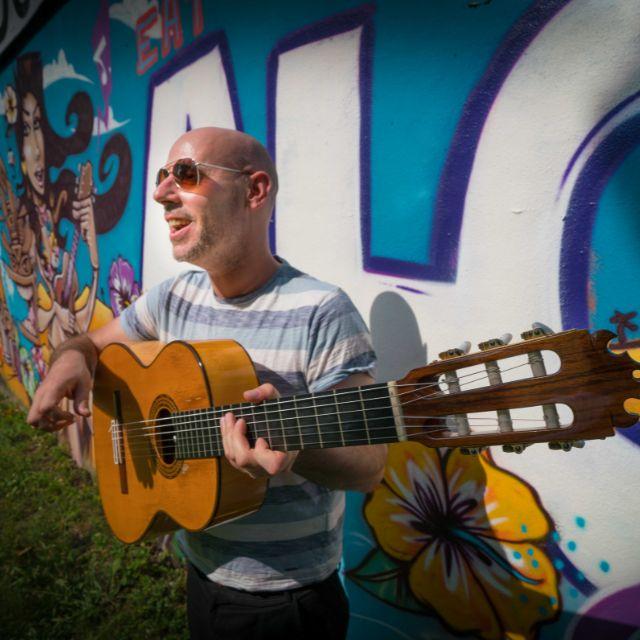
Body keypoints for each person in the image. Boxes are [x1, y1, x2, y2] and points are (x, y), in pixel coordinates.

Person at [27, 126, 387, 639]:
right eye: (161, 177)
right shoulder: (174, 297)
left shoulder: (322, 312)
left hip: (285, 602)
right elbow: (92, 344)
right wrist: (72, 359)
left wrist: (295, 448)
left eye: (186, 175)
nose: (160, 193)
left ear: (255, 191)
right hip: (200, 571)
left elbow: (370, 466)